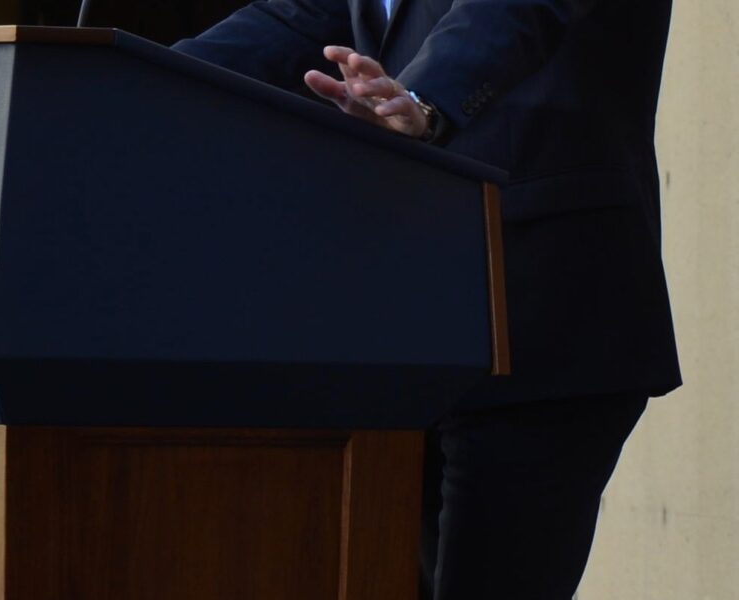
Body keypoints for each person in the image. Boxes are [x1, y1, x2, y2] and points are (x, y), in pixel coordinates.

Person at [173, 1, 681, 598]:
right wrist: (125, 84)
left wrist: (420, 99)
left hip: (542, 318)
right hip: (403, 332)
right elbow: (296, 18)